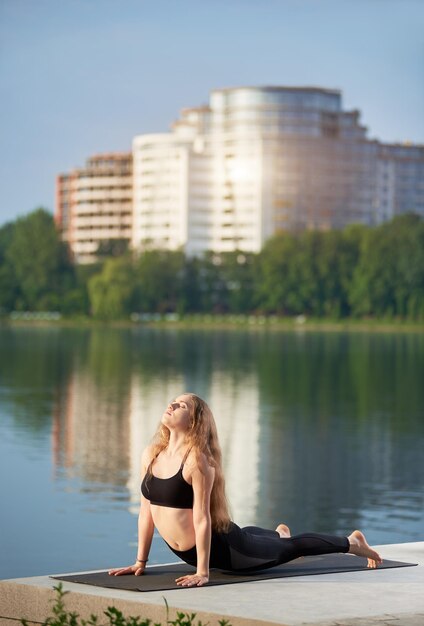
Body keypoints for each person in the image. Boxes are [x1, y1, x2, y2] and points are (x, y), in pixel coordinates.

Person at [109, 393, 382, 587]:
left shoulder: (197, 461)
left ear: (193, 422)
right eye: (174, 400)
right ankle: (277, 534)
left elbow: (202, 518)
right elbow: (146, 513)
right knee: (263, 537)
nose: (172, 404)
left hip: (228, 552)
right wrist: (139, 562)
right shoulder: (151, 455)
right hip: (188, 551)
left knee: (291, 549)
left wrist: (203, 572)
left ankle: (352, 543)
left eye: (181, 405)